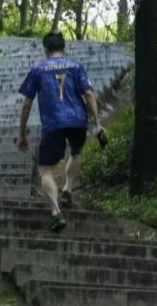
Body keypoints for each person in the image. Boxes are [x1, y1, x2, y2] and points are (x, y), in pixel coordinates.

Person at [16, 32, 106, 232]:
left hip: (53, 123)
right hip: (78, 121)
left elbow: (27, 104)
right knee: (75, 152)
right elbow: (89, 94)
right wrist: (97, 123)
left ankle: (56, 212)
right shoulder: (76, 66)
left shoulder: (38, 70)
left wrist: (22, 135)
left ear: (45, 50)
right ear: (64, 48)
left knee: (45, 169)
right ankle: (68, 187)